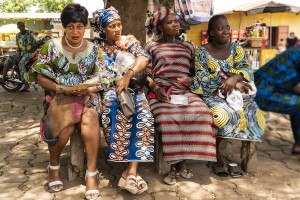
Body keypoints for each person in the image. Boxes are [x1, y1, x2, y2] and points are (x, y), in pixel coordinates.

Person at [27, 4, 111, 200]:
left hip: (87, 97)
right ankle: (53, 166)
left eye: (80, 26)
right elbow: (38, 75)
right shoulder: (51, 47)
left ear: (86, 27)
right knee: (63, 128)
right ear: (64, 27)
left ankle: (91, 173)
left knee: (90, 117)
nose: (75, 31)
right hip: (59, 97)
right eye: (71, 26)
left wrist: (87, 88)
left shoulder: (94, 49)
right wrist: (62, 89)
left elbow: (104, 78)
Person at [144, 6, 217, 185]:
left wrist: (190, 78)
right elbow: (145, 73)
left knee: (203, 114)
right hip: (161, 92)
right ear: (160, 27)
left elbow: (198, 71)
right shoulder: (150, 46)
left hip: (184, 92)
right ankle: (175, 165)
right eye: (170, 22)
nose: (176, 24)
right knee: (167, 118)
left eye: (176, 21)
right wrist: (154, 87)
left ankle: (179, 166)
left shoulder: (188, 46)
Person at [190, 15, 266, 177]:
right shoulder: (201, 51)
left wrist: (235, 78)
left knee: (254, 111)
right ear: (211, 32)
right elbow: (203, 78)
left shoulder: (236, 49)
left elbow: (246, 70)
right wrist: (230, 79)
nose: (225, 31)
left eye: (227, 28)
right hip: (212, 94)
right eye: (220, 28)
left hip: (236, 95)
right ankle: (217, 154)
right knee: (220, 115)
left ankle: (247, 153)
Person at [90, 7, 154, 195]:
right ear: (103, 29)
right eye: (112, 26)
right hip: (108, 90)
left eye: (119, 24)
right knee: (113, 110)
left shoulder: (129, 41)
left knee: (143, 115)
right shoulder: (95, 45)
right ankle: (130, 172)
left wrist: (128, 75)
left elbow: (144, 58)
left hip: (131, 87)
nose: (117, 29)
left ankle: (131, 171)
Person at [254, 46, 300, 154]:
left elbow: (292, 85)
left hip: (265, 89)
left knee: (297, 103)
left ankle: (299, 144)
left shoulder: (296, 51)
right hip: (261, 94)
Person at [0, 21, 42, 92]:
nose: (22, 28)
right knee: (8, 60)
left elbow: (37, 42)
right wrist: (18, 56)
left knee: (21, 63)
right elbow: (19, 48)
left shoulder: (30, 33)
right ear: (18, 27)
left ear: (24, 26)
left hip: (30, 53)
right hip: (21, 52)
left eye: (23, 26)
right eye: (20, 26)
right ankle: (3, 78)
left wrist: (35, 47)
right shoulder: (18, 35)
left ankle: (26, 84)